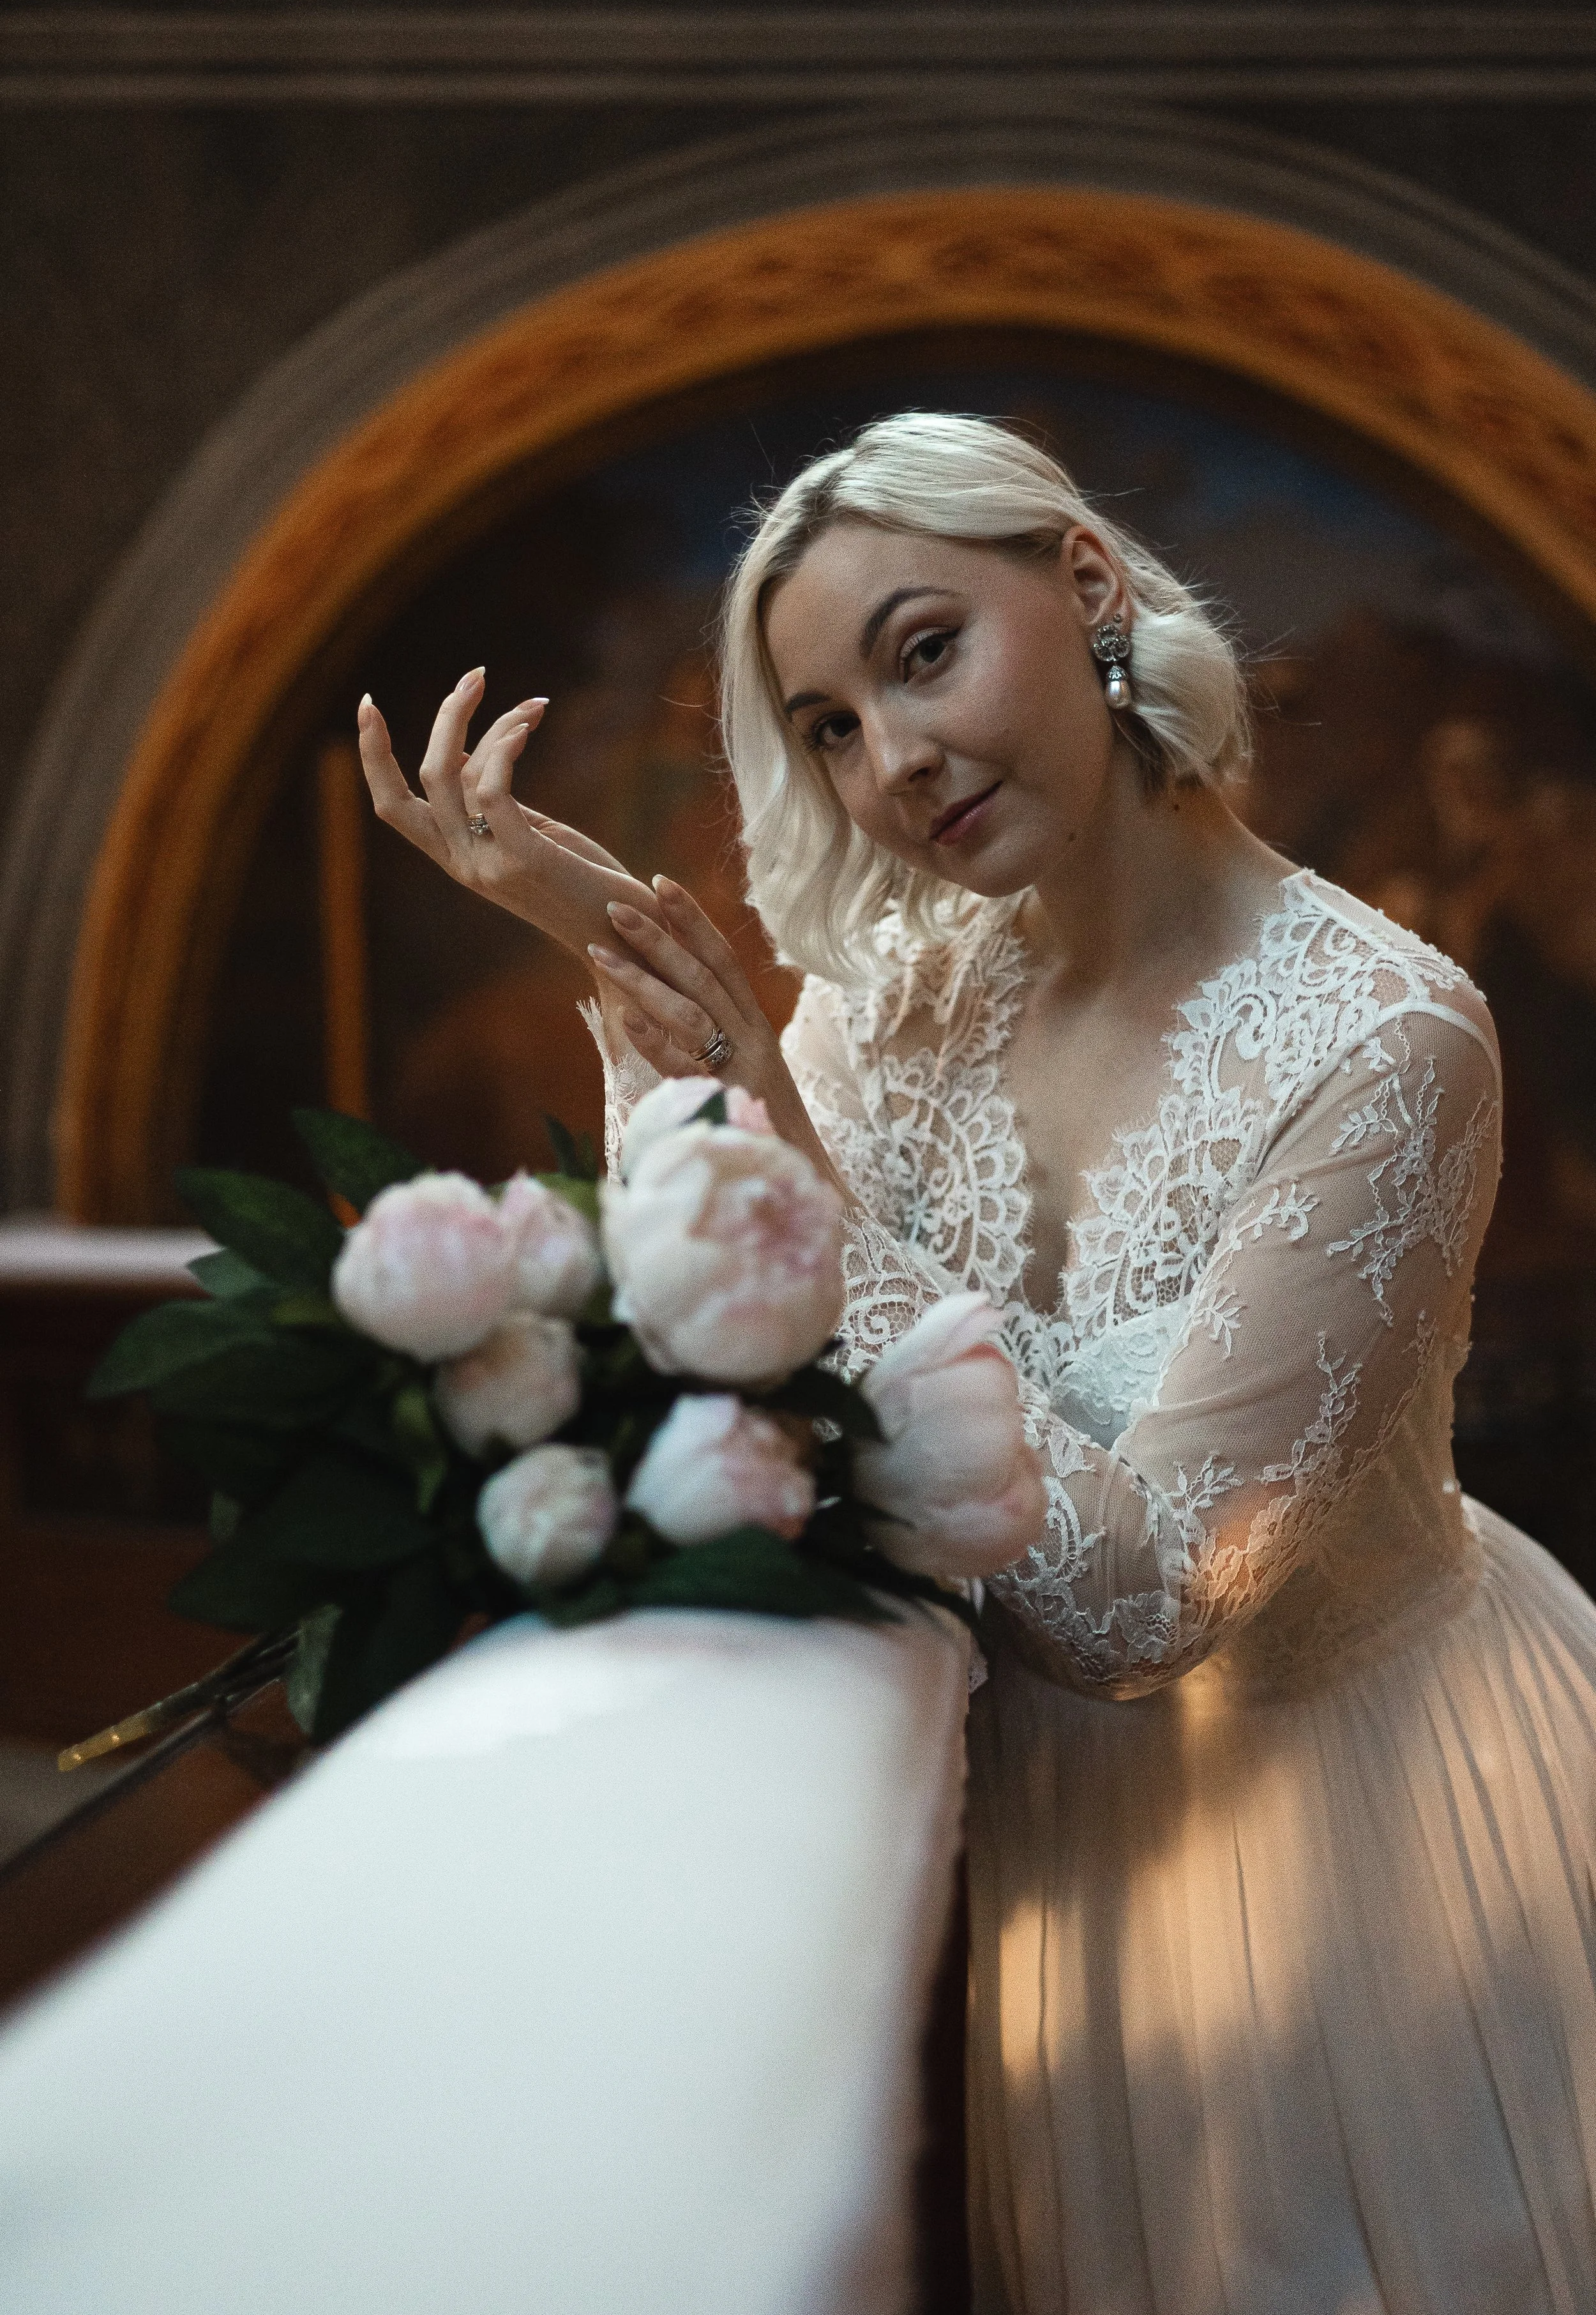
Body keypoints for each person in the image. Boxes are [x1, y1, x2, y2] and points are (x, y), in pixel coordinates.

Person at [357, 413, 1596, 2314]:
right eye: (828, 723)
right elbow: (733, 1324)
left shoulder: (1388, 1040)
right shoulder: (898, 995)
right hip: (1067, 1897)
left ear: (1086, 587)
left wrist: (794, 1159)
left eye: (922, 649)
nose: (892, 754)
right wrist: (624, 962)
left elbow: (1140, 1604)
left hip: (1377, 1864)